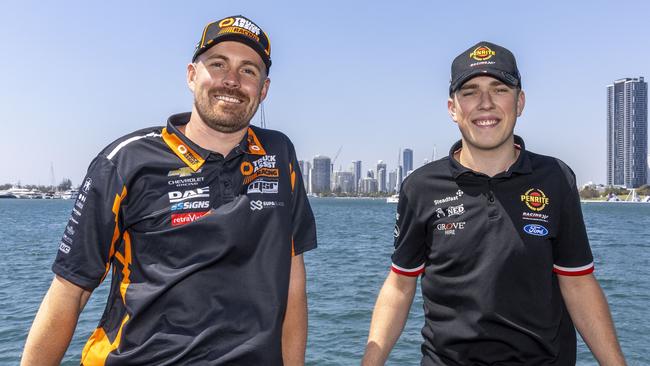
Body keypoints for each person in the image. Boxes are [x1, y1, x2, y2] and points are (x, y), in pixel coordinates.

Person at [22, 15, 316, 366]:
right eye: (218, 64)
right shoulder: (126, 162)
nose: (232, 80)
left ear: (263, 89)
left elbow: (292, 279)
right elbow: (70, 291)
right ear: (192, 75)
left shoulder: (279, 154)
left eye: (249, 70)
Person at [362, 41, 626, 365]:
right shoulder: (420, 187)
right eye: (470, 91)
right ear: (452, 108)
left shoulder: (555, 178)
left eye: (499, 89)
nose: (485, 103)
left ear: (520, 102)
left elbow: (578, 282)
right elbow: (400, 284)